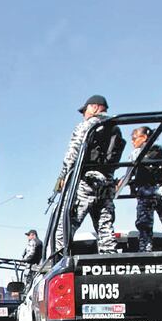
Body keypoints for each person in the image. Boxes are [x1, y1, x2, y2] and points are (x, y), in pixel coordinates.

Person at [54, 95, 123, 254]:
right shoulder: (115, 126)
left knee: (64, 226)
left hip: (86, 180)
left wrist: (63, 177)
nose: (84, 115)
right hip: (106, 182)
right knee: (105, 228)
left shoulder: (88, 125)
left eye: (85, 111)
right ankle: (110, 261)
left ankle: (57, 262)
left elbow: (72, 154)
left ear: (94, 107)